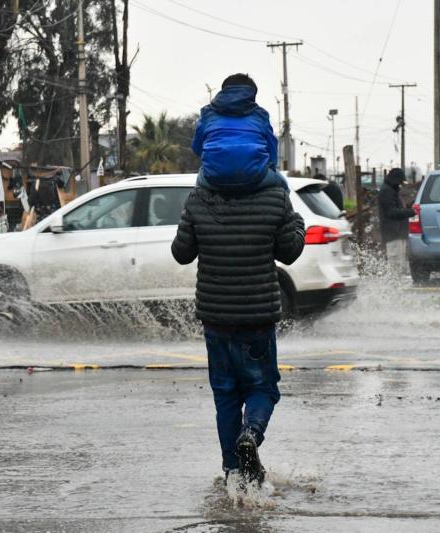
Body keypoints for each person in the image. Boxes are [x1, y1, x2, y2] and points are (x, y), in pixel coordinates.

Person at [171, 145, 306, 488]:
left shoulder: (199, 198)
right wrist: (297, 223)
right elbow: (289, 252)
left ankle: (234, 474)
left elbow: (181, 253)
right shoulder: (275, 197)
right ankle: (251, 434)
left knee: (226, 395)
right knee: (263, 388)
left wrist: (193, 222)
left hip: (216, 317)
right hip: (258, 315)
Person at [191, 73, 288, 193]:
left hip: (214, 178)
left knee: (197, 189)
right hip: (256, 176)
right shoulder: (261, 115)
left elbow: (196, 148)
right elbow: (272, 153)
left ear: (223, 92)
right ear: (252, 95)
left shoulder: (207, 114)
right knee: (283, 186)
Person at [378, 168, 416, 273]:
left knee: (400, 263)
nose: (400, 185)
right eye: (400, 182)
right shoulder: (387, 191)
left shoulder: (392, 190)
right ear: (396, 180)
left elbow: (397, 208)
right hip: (393, 233)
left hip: (398, 233)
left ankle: (398, 286)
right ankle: (394, 287)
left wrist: (410, 209)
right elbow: (391, 212)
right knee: (396, 264)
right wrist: (411, 212)